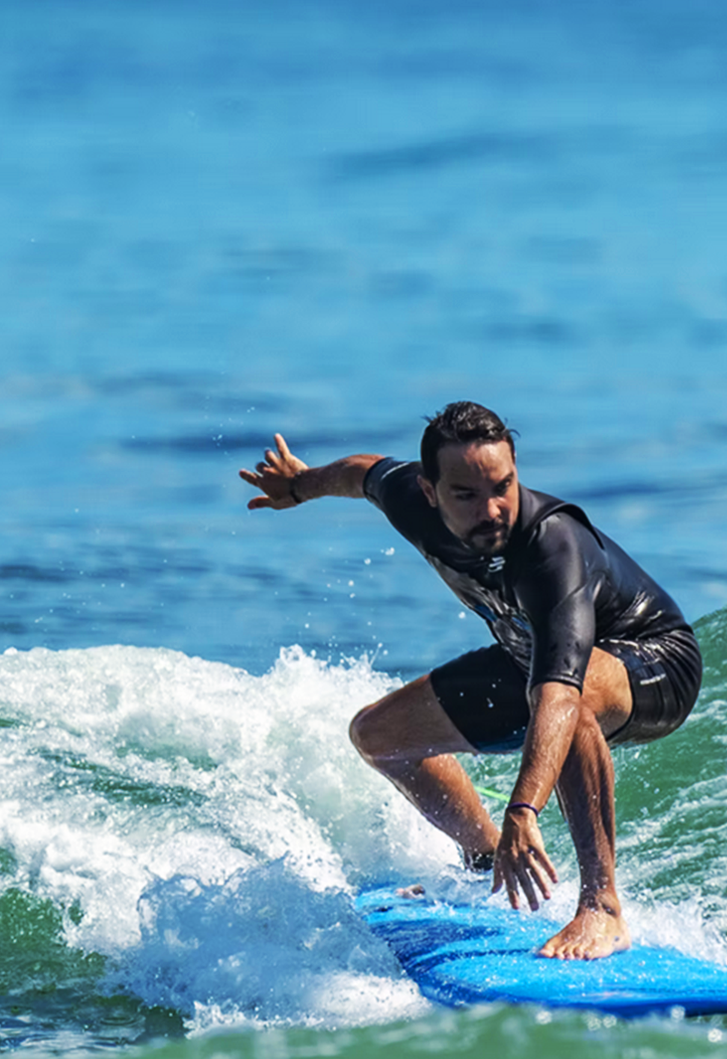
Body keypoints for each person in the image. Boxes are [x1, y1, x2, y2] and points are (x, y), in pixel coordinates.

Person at [239, 401, 700, 961]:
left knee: (572, 702)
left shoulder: (552, 546)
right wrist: (301, 486)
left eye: (503, 486)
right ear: (429, 492)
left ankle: (602, 908)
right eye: (466, 495)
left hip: (651, 664)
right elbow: (364, 473)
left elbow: (558, 692)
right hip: (529, 655)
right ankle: (484, 863)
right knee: (380, 737)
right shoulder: (409, 498)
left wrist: (523, 811)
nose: (492, 509)